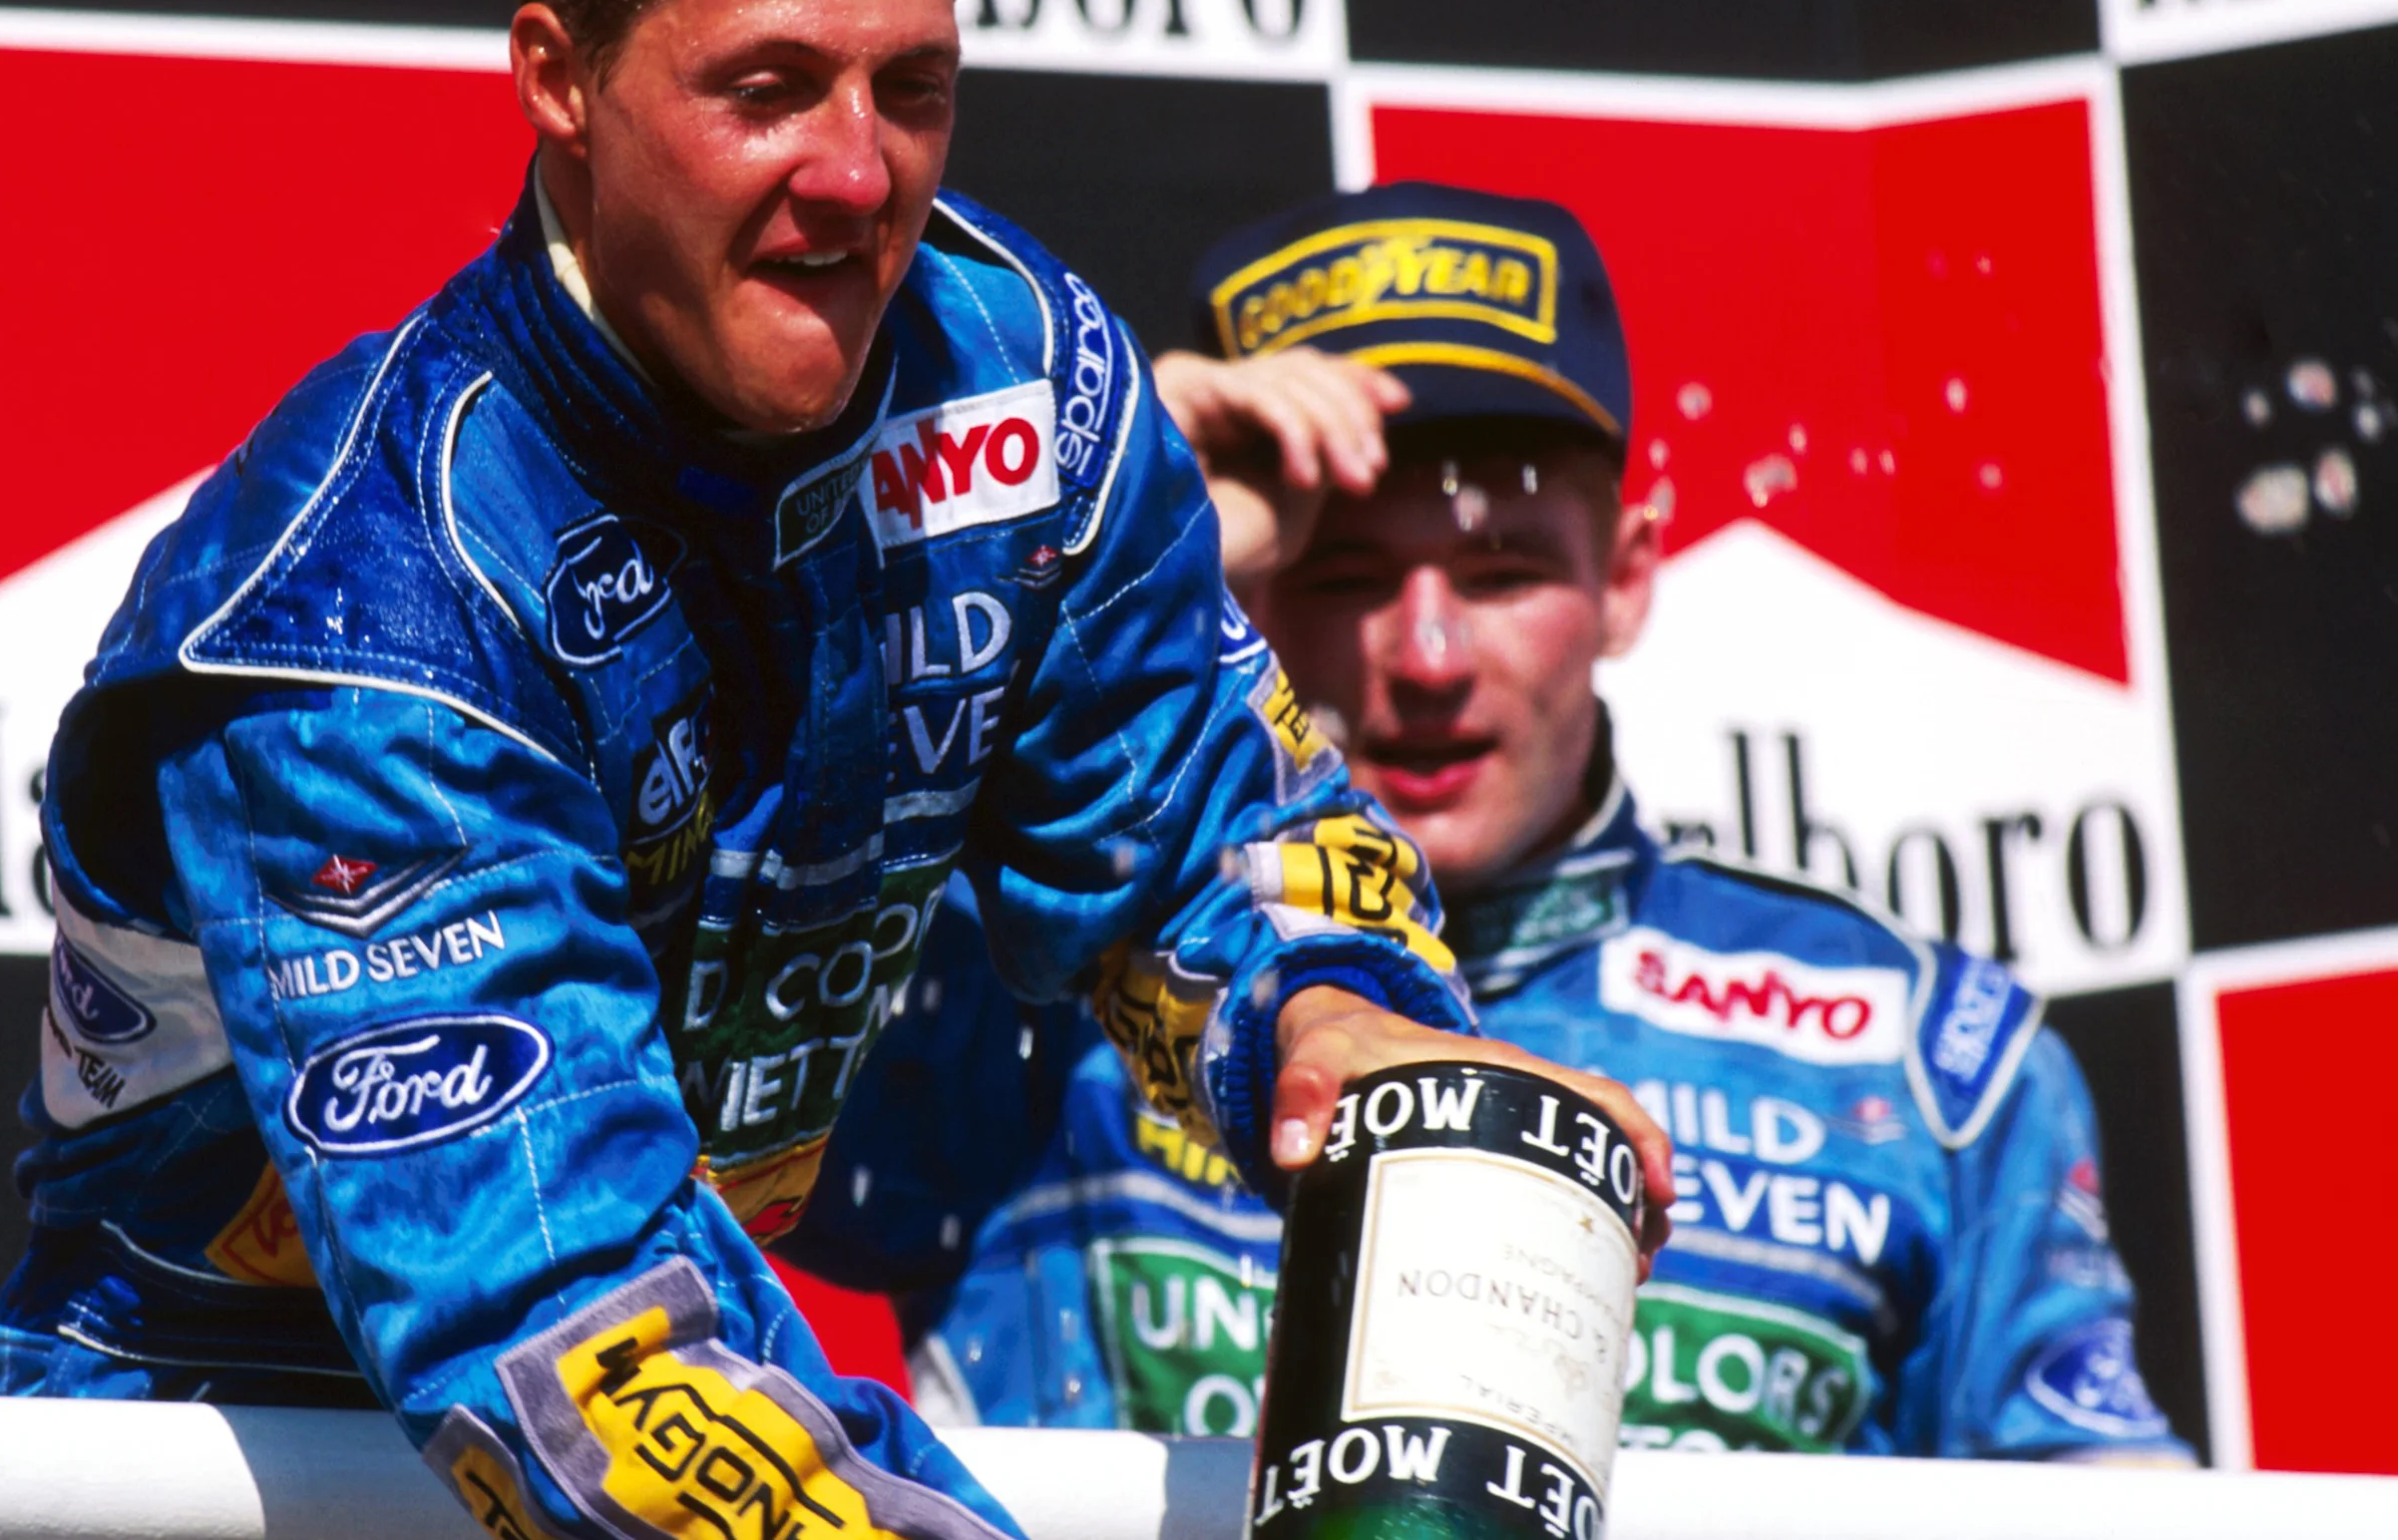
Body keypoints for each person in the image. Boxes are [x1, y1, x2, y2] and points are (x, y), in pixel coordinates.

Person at [0, 0, 1678, 1540]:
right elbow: (578, 1347)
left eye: (914, 87)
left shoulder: (1019, 376)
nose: (860, 179)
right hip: (228, 1469)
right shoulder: (364, 617)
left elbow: (1201, 821)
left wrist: (1340, 1019)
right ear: (558, 78)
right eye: (768, 89)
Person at [803, 182, 2194, 1461]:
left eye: (1502, 569)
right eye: (1343, 571)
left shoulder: (1923, 1055)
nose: (1425, 655)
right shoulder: (1019, 971)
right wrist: (1108, 553)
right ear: (1249, 595)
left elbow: (2104, 1508)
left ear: (1631, 579)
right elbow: (678, 1085)